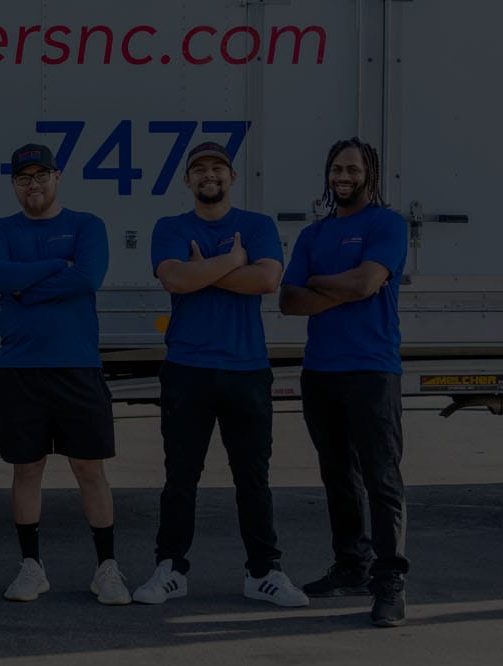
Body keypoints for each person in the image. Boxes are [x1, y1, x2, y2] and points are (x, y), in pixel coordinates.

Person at [131, 142, 308, 608]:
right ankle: (170, 569)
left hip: (247, 369)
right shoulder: (171, 227)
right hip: (187, 368)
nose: (208, 175)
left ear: (231, 177)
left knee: (253, 477)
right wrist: (233, 262)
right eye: (198, 169)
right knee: (180, 476)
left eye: (217, 168)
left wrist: (203, 270)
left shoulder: (258, 225)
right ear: (187, 181)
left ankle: (263, 573)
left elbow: (267, 280)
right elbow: (174, 279)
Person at [0, 144, 128, 605]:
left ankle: (107, 568)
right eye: (24, 178)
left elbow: (87, 278)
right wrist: (49, 269)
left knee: (89, 469)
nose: (33, 185)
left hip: (77, 366)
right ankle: (32, 567)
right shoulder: (0, 230)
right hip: (21, 369)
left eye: (41, 175)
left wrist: (25, 285)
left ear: (58, 178)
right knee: (28, 468)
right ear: (14, 185)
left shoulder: (87, 225)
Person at [278, 137, 411, 627]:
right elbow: (288, 301)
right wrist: (349, 286)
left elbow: (366, 284)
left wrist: (324, 283)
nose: (343, 176)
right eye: (337, 168)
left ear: (369, 175)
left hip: (372, 370)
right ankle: (352, 566)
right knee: (338, 476)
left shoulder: (387, 224)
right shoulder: (313, 235)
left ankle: (389, 582)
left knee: (382, 478)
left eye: (353, 169)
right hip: (322, 373)